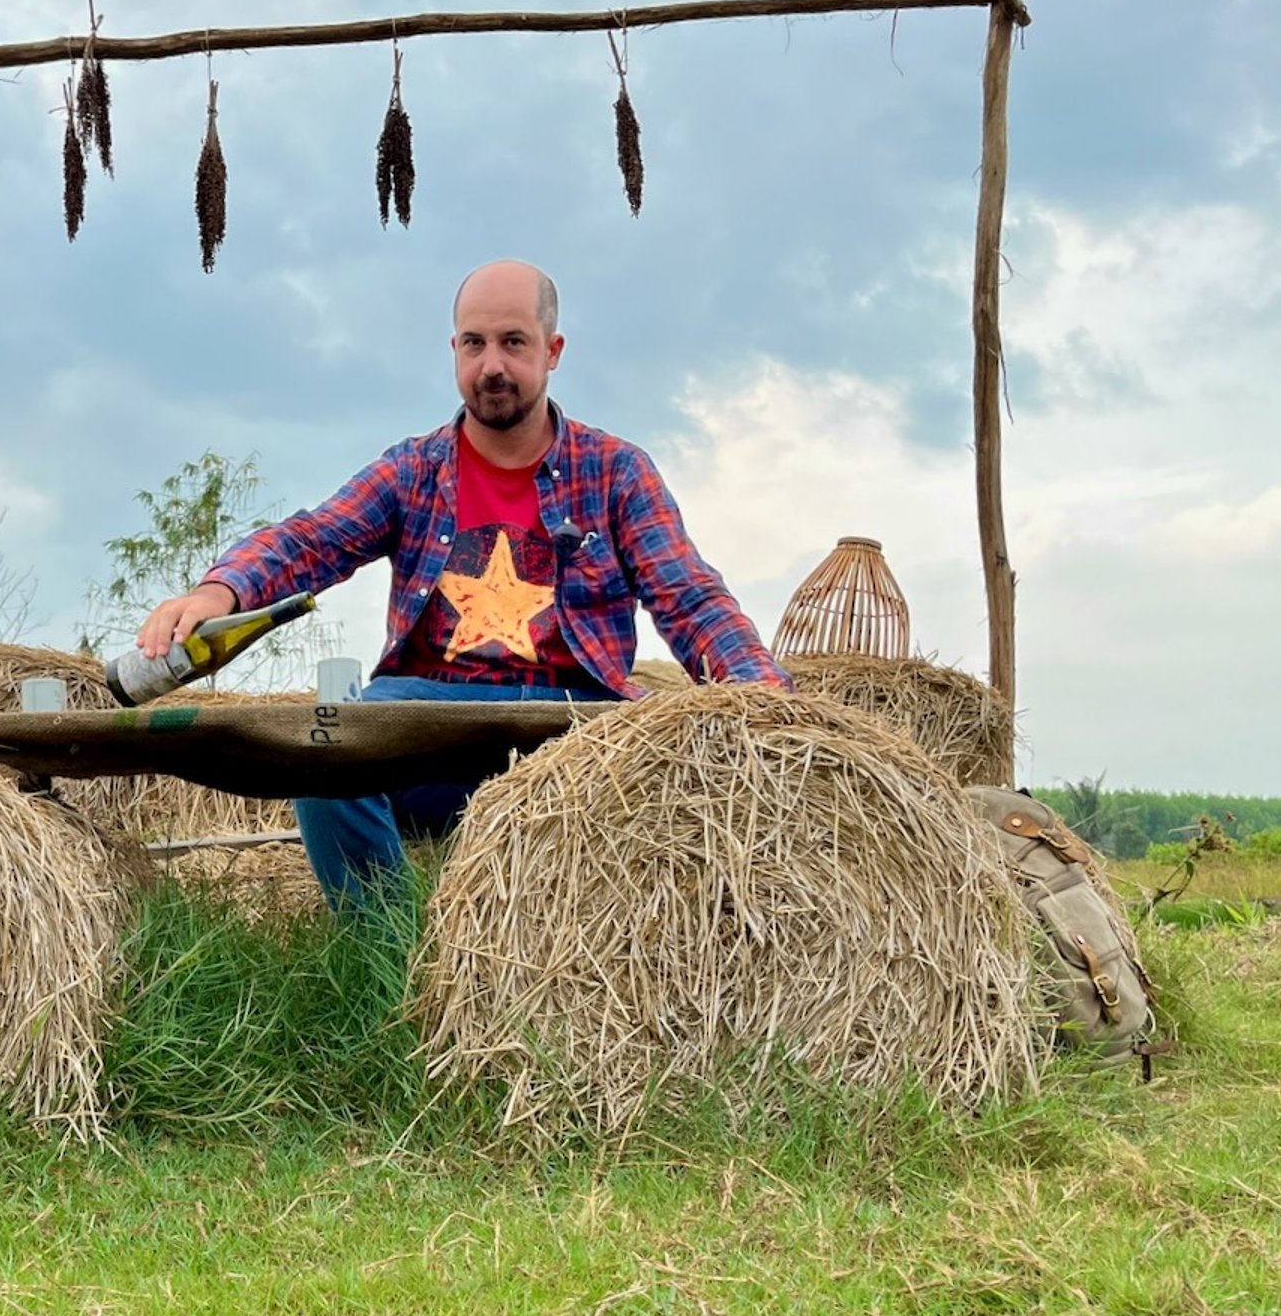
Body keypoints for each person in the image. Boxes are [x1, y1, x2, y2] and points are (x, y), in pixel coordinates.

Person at [135, 259, 792, 905]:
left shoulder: (616, 471)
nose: (491, 366)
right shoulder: (413, 470)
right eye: (474, 344)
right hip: (427, 718)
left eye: (513, 343)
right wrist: (220, 592)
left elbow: (688, 597)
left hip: (574, 726)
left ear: (553, 351)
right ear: (454, 351)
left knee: (675, 777)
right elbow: (314, 539)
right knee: (322, 747)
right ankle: (390, 952)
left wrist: (763, 700)